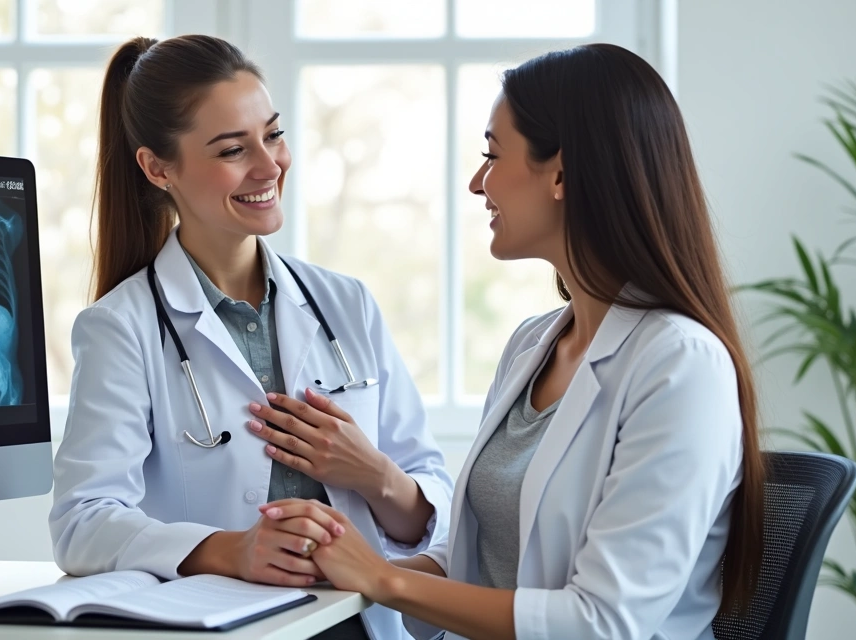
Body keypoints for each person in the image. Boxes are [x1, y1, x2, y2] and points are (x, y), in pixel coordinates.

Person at [261, 43, 766, 640]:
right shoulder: (534, 345)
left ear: (561, 173)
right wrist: (339, 568)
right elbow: (477, 561)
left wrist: (384, 579)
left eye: (492, 155)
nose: (478, 183)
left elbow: (603, 622)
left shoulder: (681, 365)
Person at [48, 34, 454, 640]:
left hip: (363, 627)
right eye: (233, 149)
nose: (269, 167)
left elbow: (434, 497)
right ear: (158, 168)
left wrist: (376, 475)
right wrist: (230, 550)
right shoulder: (120, 329)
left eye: (274, 135)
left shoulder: (346, 304)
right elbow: (81, 522)